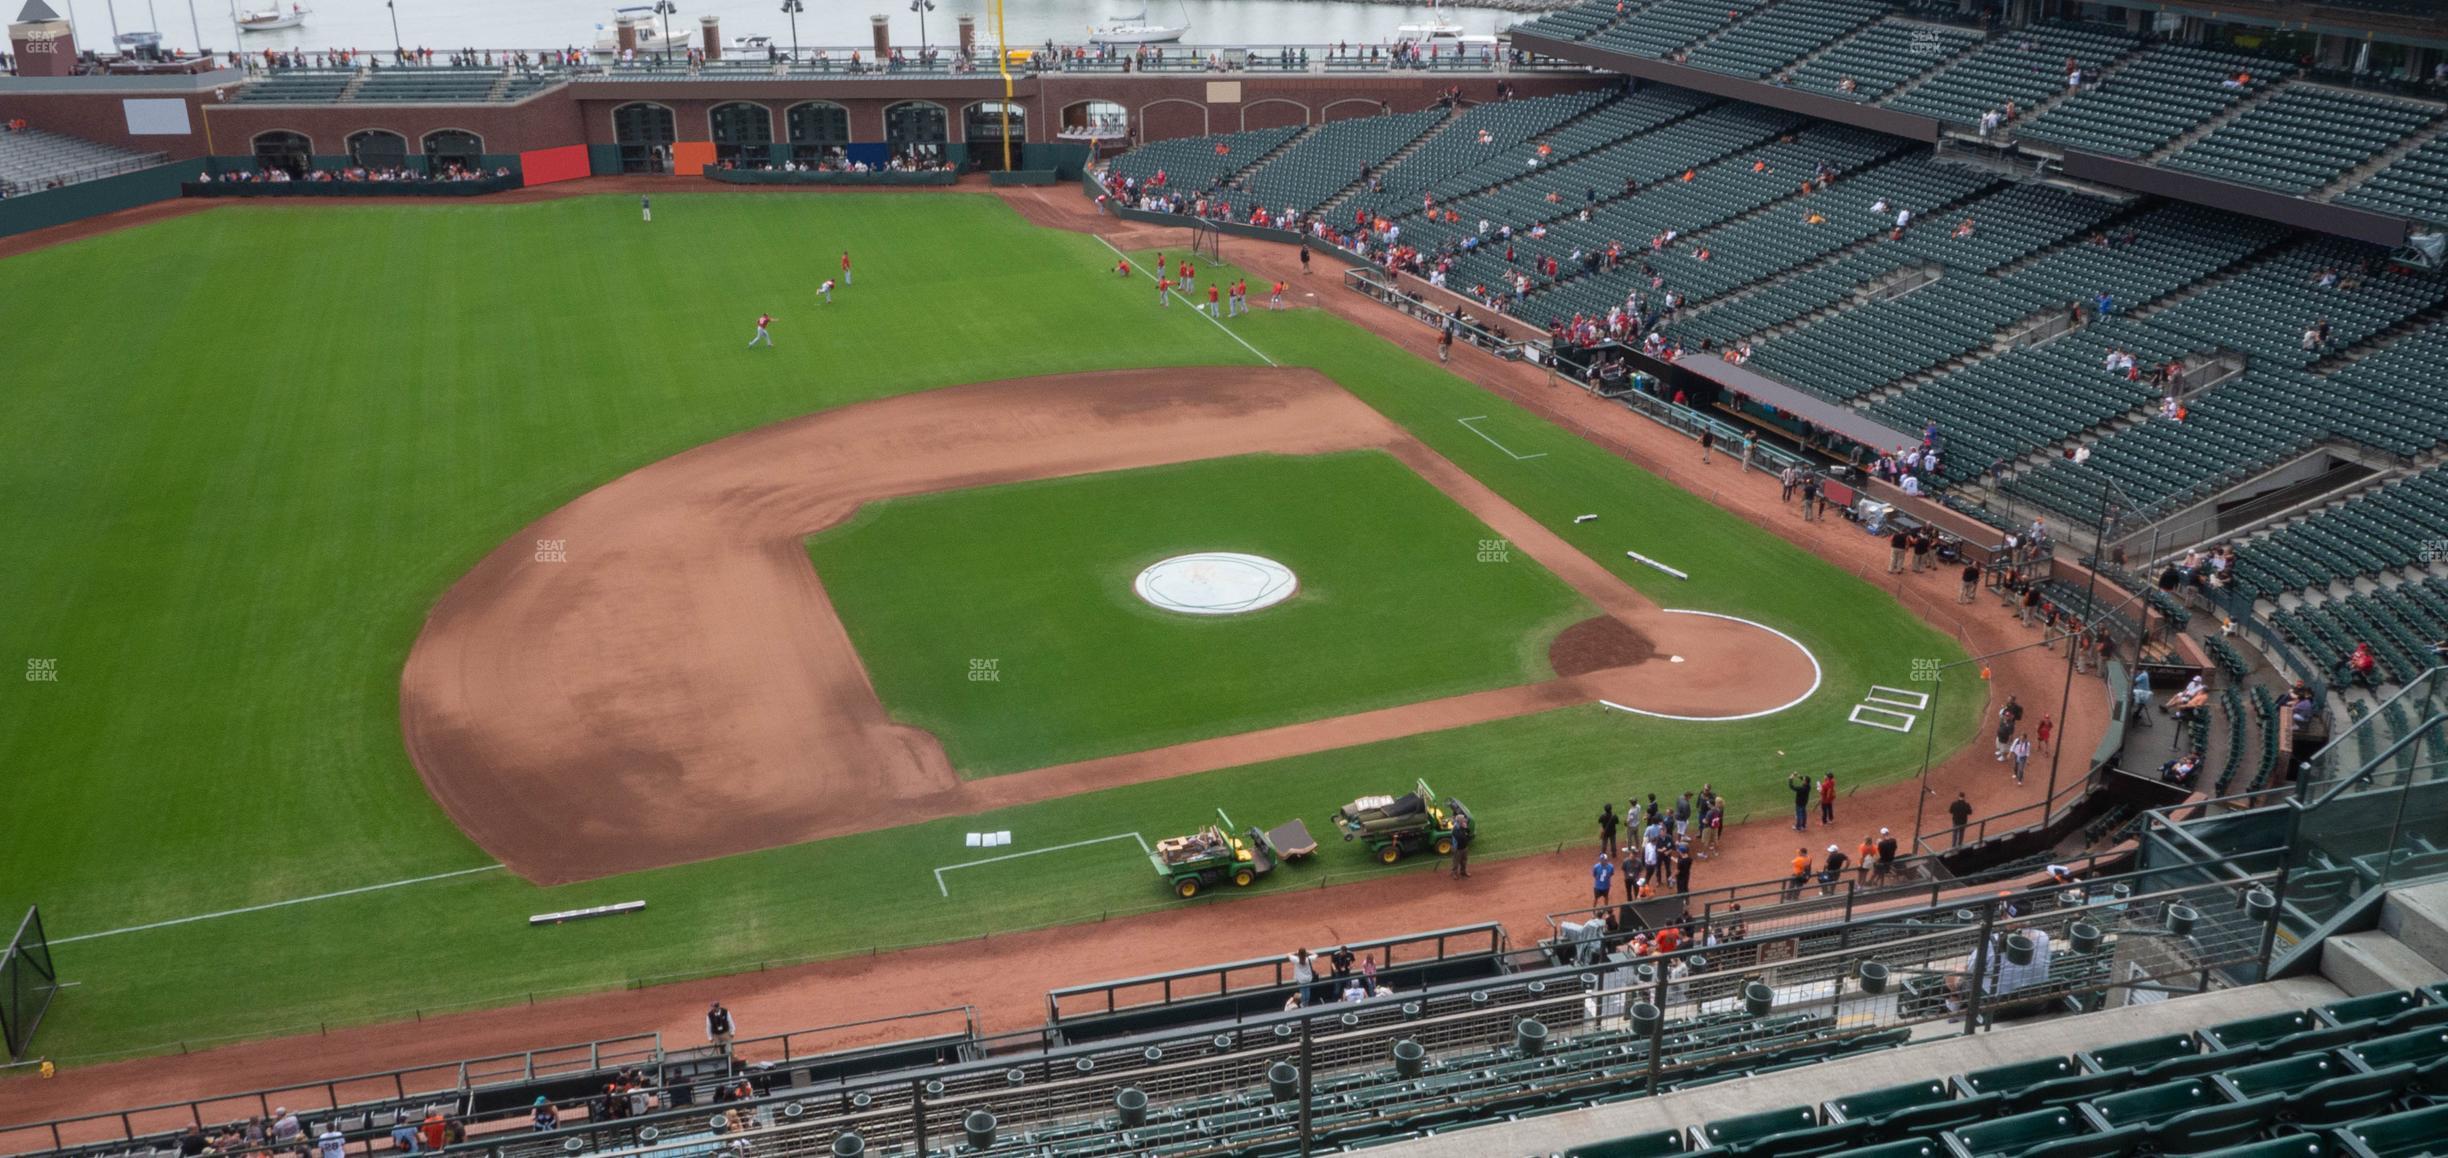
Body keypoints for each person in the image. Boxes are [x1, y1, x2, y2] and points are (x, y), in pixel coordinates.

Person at [1449, 809, 1472, 878]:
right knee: (1456, 862)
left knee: (1464, 861)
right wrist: (1464, 829)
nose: (1465, 820)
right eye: (1463, 819)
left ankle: (1463, 872)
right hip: (1457, 849)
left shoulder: (1462, 826)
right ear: (1459, 821)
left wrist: (1465, 828)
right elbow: (1461, 838)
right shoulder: (1455, 829)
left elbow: (1468, 833)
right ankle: (1454, 873)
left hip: (1464, 847)